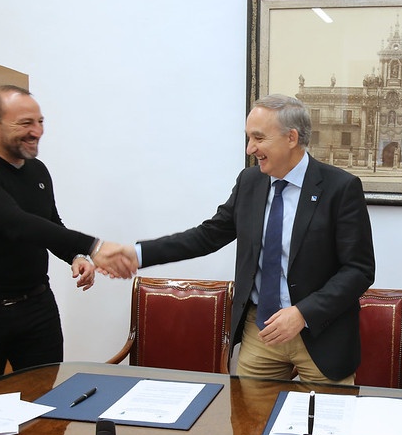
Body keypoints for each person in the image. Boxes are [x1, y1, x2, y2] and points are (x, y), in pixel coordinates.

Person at [105, 94, 375, 384]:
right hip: (260, 333)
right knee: (249, 413)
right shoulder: (250, 182)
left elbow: (358, 270)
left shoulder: (340, 188)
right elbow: (206, 236)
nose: (250, 148)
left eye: (258, 138)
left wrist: (302, 314)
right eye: (248, 138)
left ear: (291, 138)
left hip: (322, 336)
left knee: (323, 415)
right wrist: (139, 254)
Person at [0, 85, 136, 392]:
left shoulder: (37, 170)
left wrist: (75, 256)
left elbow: (49, 223)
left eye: (40, 121)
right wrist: (93, 246)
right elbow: (14, 223)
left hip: (36, 307)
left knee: (45, 397)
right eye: (25, 123)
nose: (37, 131)